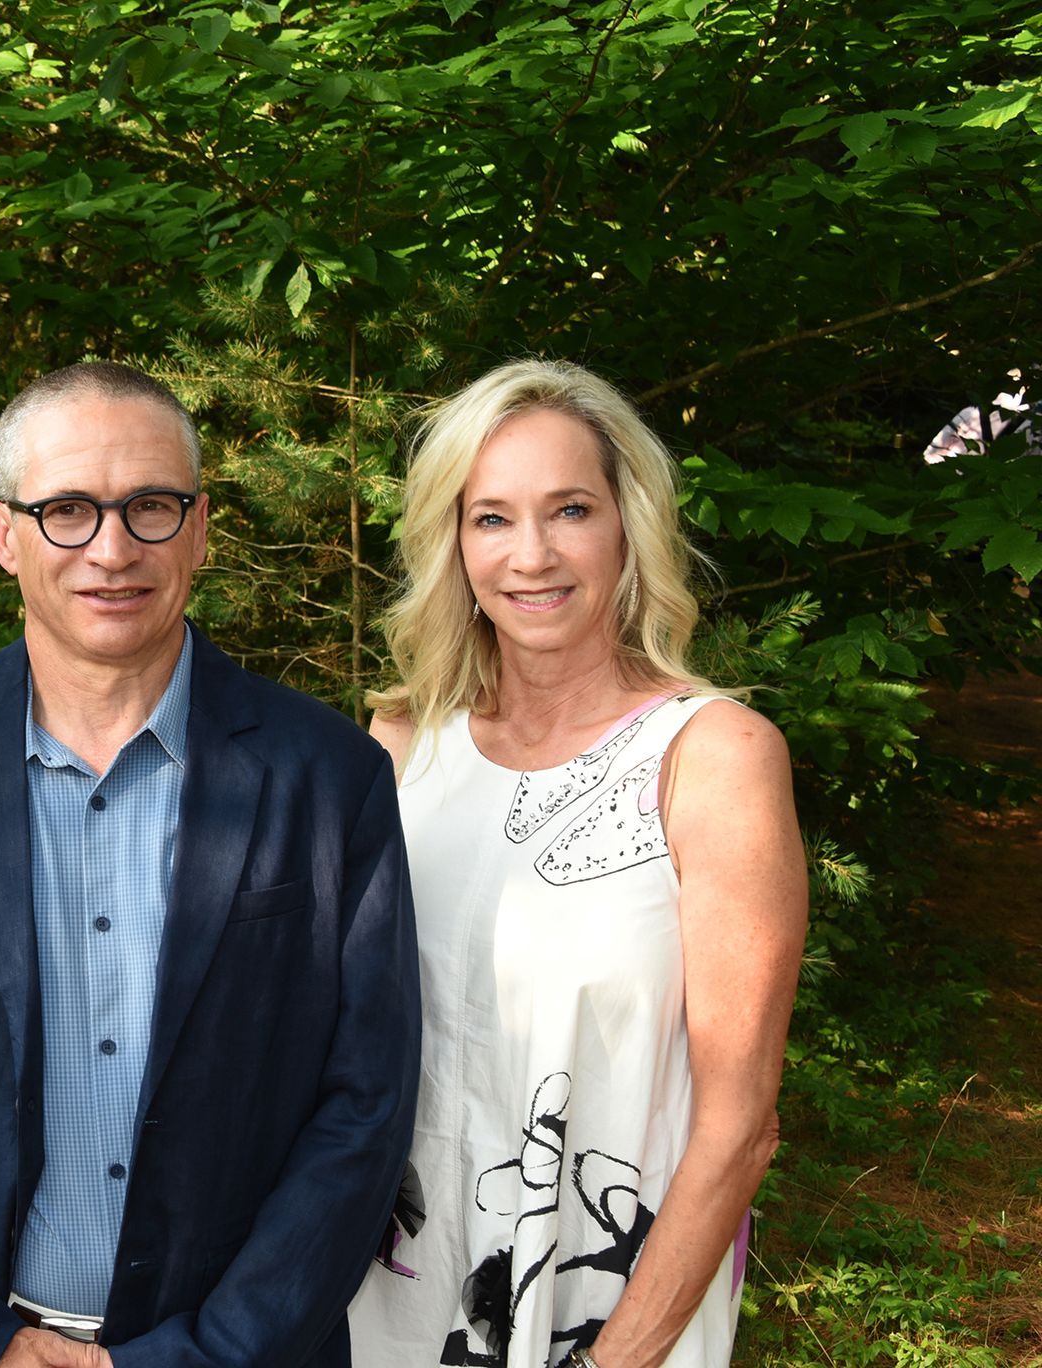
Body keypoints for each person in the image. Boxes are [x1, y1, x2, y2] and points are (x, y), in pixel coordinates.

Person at [0, 361, 420, 1368]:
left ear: (202, 527)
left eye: (152, 507)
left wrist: (205, 1356)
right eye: (69, 510)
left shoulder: (327, 777)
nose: (114, 549)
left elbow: (365, 1107)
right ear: (5, 534)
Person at [346, 360, 808, 1368]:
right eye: (493, 518)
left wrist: (613, 1362)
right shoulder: (399, 750)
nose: (533, 555)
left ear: (627, 526)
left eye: (570, 509)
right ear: (452, 543)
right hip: (388, 1299)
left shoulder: (711, 757)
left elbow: (739, 1128)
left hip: (612, 1309)